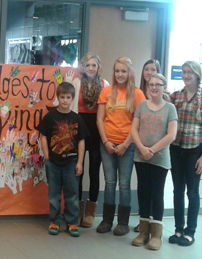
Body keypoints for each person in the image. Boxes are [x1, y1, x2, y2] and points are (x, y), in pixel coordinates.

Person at [96, 57, 146, 236]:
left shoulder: (138, 94)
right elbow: (100, 120)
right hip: (107, 143)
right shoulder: (106, 91)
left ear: (130, 73)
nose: (120, 74)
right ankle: (107, 220)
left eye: (123, 71)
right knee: (110, 183)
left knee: (124, 184)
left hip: (128, 145)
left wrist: (126, 144)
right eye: (117, 71)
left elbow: (138, 124)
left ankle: (123, 222)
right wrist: (106, 142)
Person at [169, 61, 202, 247]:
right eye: (184, 72)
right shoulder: (175, 96)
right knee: (177, 191)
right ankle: (178, 229)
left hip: (194, 151)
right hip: (176, 149)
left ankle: (190, 232)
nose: (186, 75)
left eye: (190, 72)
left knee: (193, 193)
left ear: (197, 75)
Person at [130, 74, 177, 250]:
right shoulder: (142, 105)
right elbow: (134, 129)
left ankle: (156, 234)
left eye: (158, 84)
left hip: (159, 159)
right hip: (140, 156)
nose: (154, 87)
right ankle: (143, 232)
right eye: (151, 84)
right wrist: (142, 148)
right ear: (147, 87)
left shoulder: (170, 108)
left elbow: (171, 135)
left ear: (164, 87)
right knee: (143, 192)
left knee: (156, 194)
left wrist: (152, 149)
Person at [39, 82, 88, 237]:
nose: (65, 100)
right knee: (54, 193)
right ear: (57, 98)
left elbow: (81, 141)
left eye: (68, 97)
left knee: (72, 193)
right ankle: (54, 221)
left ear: (72, 99)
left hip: (72, 162)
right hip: (53, 162)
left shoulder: (77, 118)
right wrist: (47, 157)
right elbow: (43, 137)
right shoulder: (50, 117)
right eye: (62, 97)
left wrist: (80, 162)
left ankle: (72, 222)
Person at [71, 53, 109, 228]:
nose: (91, 68)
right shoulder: (76, 83)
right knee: (78, 171)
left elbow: (107, 111)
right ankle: (77, 210)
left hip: (97, 131)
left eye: (94, 65)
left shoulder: (105, 85)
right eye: (88, 65)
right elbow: (72, 109)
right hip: (79, 131)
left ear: (98, 67)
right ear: (83, 67)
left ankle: (90, 213)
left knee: (94, 171)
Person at [134, 58, 161, 233]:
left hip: (157, 149)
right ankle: (143, 221)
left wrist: (153, 148)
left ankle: (154, 223)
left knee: (155, 188)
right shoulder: (137, 93)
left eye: (153, 69)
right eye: (146, 69)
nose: (149, 72)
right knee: (143, 187)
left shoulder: (162, 97)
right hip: (139, 146)